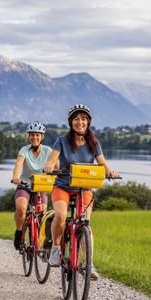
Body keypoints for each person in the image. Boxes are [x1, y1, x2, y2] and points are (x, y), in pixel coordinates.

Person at [43, 104, 119, 280]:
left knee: (85, 223)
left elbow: (102, 164)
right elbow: (53, 159)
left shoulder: (94, 143)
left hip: (84, 188)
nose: (80, 122)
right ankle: (55, 248)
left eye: (84, 119)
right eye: (76, 119)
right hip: (62, 186)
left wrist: (109, 171)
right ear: (71, 122)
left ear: (88, 122)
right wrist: (49, 165)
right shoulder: (61, 141)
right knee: (61, 215)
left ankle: (89, 263)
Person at [11, 121, 52, 250]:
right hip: (25, 185)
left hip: (41, 186)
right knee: (21, 208)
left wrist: (56, 173)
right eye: (32, 135)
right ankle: (19, 232)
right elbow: (18, 164)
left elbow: (55, 166)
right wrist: (16, 177)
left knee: (42, 215)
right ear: (29, 136)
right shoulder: (24, 150)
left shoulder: (48, 150)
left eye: (37, 135)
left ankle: (41, 239)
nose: (35, 138)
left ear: (42, 137)